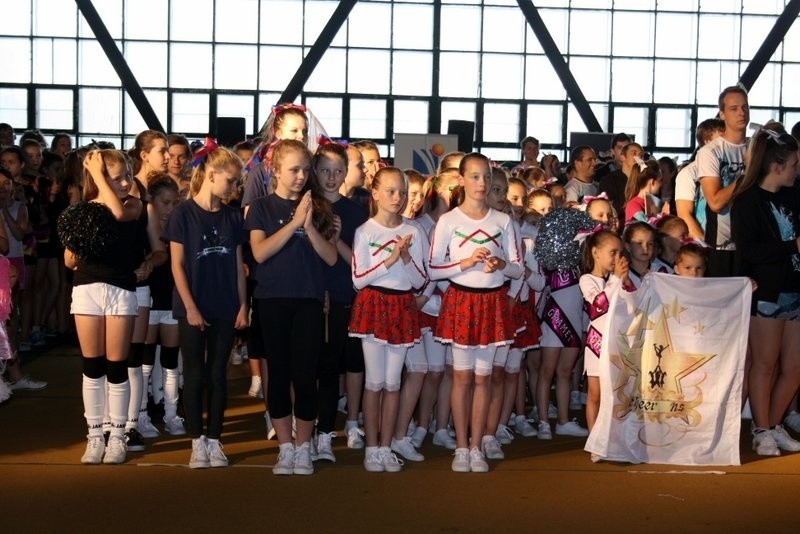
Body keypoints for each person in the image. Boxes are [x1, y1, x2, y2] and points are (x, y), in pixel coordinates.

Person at [246, 139, 337, 476]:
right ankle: (285, 447)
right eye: (294, 170)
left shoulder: (319, 207)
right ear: (275, 171)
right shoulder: (260, 207)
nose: (301, 176)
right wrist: (294, 223)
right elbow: (259, 253)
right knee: (279, 375)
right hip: (272, 300)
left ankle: (303, 448)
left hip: (309, 301)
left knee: (305, 376)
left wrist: (309, 225)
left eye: (305, 170)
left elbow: (330, 258)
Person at [428, 153, 522, 473]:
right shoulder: (448, 221)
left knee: (484, 379)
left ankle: (476, 445)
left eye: (486, 177)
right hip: (460, 300)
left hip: (493, 301)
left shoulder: (503, 221)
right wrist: (465, 263)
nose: (482, 184)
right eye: (475, 177)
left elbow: (519, 269)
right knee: (461, 377)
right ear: (462, 180)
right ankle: (459, 448)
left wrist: (501, 265)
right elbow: (433, 268)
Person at [162, 146, 247, 468]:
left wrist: (243, 305)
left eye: (237, 183)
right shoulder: (183, 214)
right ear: (211, 176)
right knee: (195, 373)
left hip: (225, 304)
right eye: (230, 181)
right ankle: (197, 441)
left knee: (218, 375)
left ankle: (214, 439)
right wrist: (190, 306)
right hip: (192, 305)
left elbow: (238, 266)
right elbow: (177, 265)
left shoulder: (232, 216)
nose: (234, 188)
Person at [65, 150, 141, 464]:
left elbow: (120, 216)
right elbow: (69, 260)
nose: (125, 182)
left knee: (116, 366)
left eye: (128, 175)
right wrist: (81, 239)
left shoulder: (133, 204)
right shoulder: (84, 209)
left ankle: (118, 436)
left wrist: (99, 176)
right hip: (87, 288)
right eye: (117, 177)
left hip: (121, 289)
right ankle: (95, 435)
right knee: (92, 366)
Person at [350, 166, 427, 472]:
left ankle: (386, 446)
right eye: (391, 191)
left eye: (402, 192)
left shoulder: (414, 231)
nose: (398, 198)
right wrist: (391, 259)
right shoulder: (365, 231)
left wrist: (406, 258)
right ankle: (371, 449)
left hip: (402, 307)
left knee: (393, 383)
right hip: (373, 305)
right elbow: (358, 279)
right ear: (376, 193)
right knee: (375, 381)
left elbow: (421, 280)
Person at [731, 126, 800, 456]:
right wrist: (792, 246)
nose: (797, 170)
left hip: (795, 288)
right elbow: (749, 250)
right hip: (768, 291)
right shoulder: (747, 201)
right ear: (777, 165)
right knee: (765, 364)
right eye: (794, 164)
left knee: (795, 368)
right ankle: (761, 429)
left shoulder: (794, 195)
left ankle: (771, 425)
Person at [311, 139, 368, 462]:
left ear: (346, 173)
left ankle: (326, 432)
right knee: (308, 367)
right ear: (315, 172)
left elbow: (359, 264)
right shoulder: (305, 206)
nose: (332, 178)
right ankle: (303, 427)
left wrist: (336, 239)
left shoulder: (355, 212)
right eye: (325, 171)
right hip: (309, 295)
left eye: (338, 171)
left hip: (343, 296)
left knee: (333, 368)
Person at [578, 229, 633, 437]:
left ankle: (613, 437)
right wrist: (617, 280)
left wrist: (625, 282)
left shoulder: (617, 278)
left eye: (621, 253)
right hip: (597, 343)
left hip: (616, 342)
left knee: (616, 392)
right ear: (595, 253)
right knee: (595, 393)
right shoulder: (587, 279)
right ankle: (594, 438)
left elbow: (632, 304)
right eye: (613, 252)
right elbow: (598, 306)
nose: (618, 258)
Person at [142, 174, 184, 436]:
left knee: (170, 360)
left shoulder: (178, 226)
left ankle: (171, 413)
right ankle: (141, 414)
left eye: (174, 203)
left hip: (170, 298)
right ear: (151, 201)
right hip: (146, 298)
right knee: (144, 362)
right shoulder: (140, 225)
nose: (170, 209)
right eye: (165, 203)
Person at [696, 86, 749, 277]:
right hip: (722, 244)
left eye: (745, 107)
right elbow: (716, 202)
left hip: (754, 242)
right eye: (734, 109)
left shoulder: (757, 148)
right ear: (723, 114)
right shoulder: (711, 152)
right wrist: (746, 174)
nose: (741, 113)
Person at [675, 118, 725, 239]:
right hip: (707, 241)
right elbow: (684, 214)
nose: (726, 144)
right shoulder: (688, 173)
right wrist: (703, 245)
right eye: (722, 140)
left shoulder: (730, 169)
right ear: (707, 142)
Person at [599, 142, 644, 219]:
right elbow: (606, 207)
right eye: (634, 153)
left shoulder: (644, 180)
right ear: (622, 157)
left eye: (641, 155)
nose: (638, 157)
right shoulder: (609, 180)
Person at [128, 130, 170, 196]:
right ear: (144, 156)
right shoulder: (131, 187)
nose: (168, 156)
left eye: (168, 151)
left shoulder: (164, 184)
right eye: (162, 151)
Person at [623, 221, 658, 287]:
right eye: (639, 243)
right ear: (628, 247)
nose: (645, 247)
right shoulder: (623, 274)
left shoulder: (659, 271)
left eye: (650, 244)